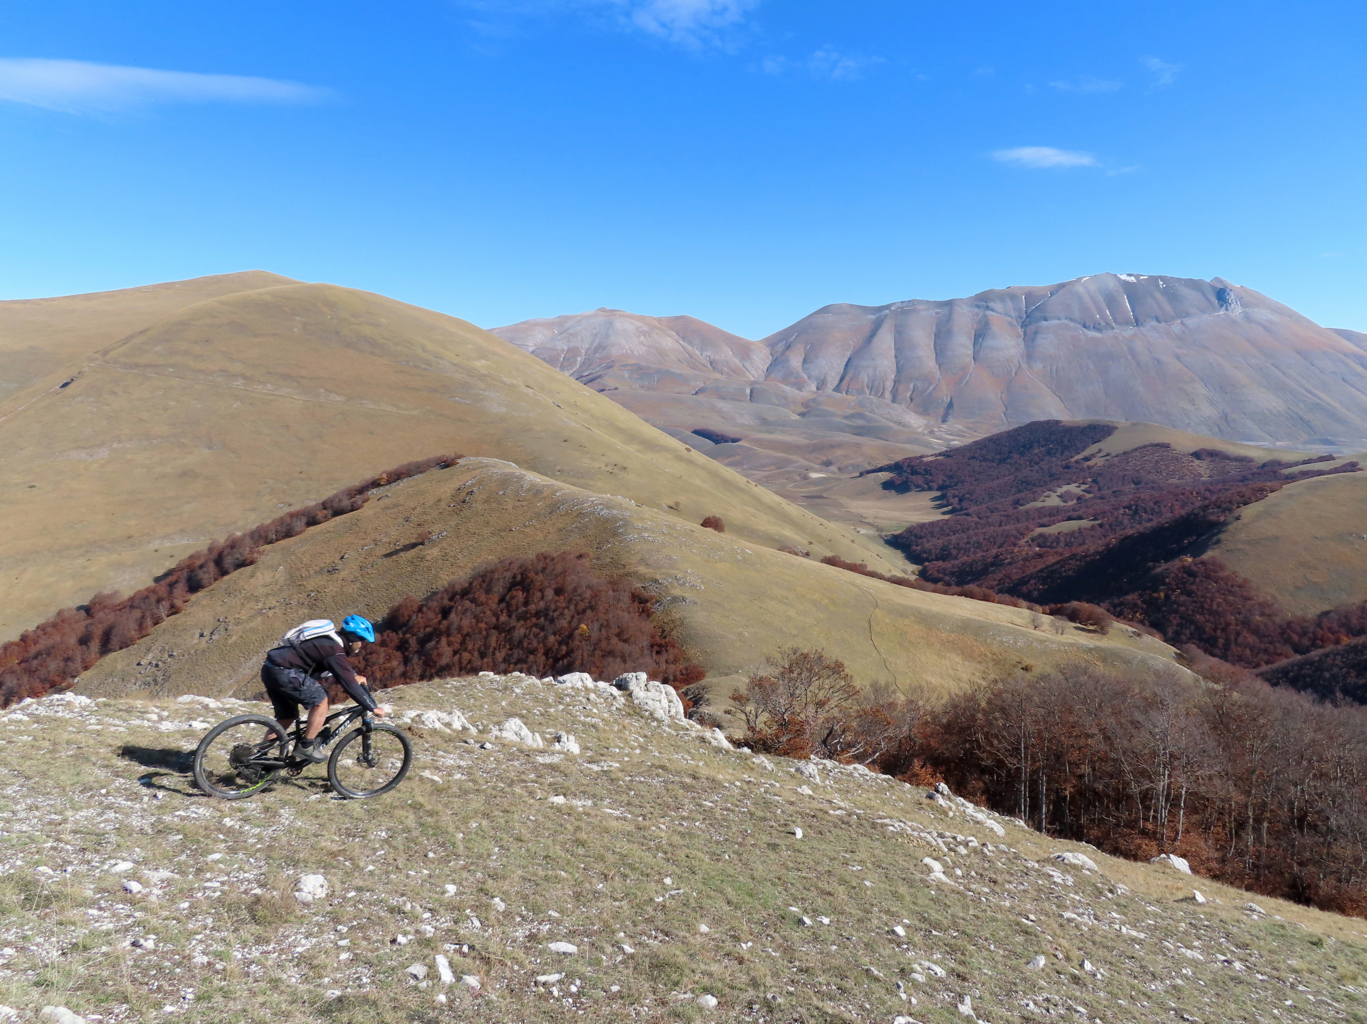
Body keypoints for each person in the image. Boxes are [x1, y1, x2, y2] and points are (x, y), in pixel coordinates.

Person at [260, 614, 388, 762]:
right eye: (362, 641)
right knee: (321, 701)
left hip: (271, 669)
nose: (362, 645)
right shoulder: (334, 649)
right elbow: (347, 682)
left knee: (287, 717)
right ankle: (306, 747)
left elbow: (339, 669)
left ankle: (257, 756)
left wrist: (353, 675)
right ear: (354, 639)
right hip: (284, 672)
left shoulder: (329, 643)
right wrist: (372, 707)